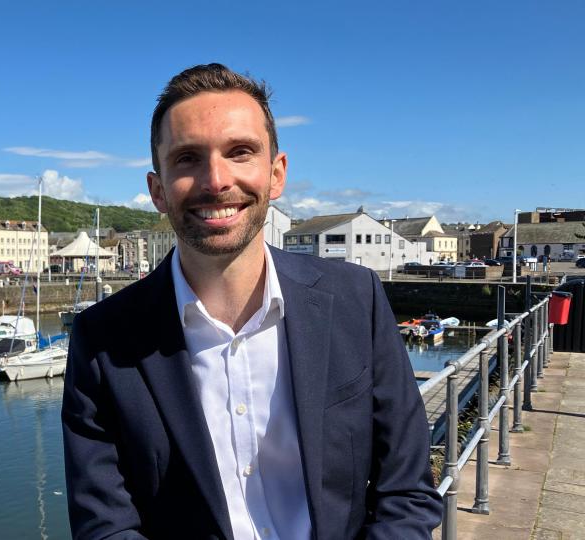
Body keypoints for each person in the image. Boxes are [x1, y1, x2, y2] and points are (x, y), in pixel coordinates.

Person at [62, 63, 442, 540]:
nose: (216, 180)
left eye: (240, 152)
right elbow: (105, 526)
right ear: (157, 190)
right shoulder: (103, 339)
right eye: (187, 158)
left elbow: (406, 493)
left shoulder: (356, 300)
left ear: (276, 174)